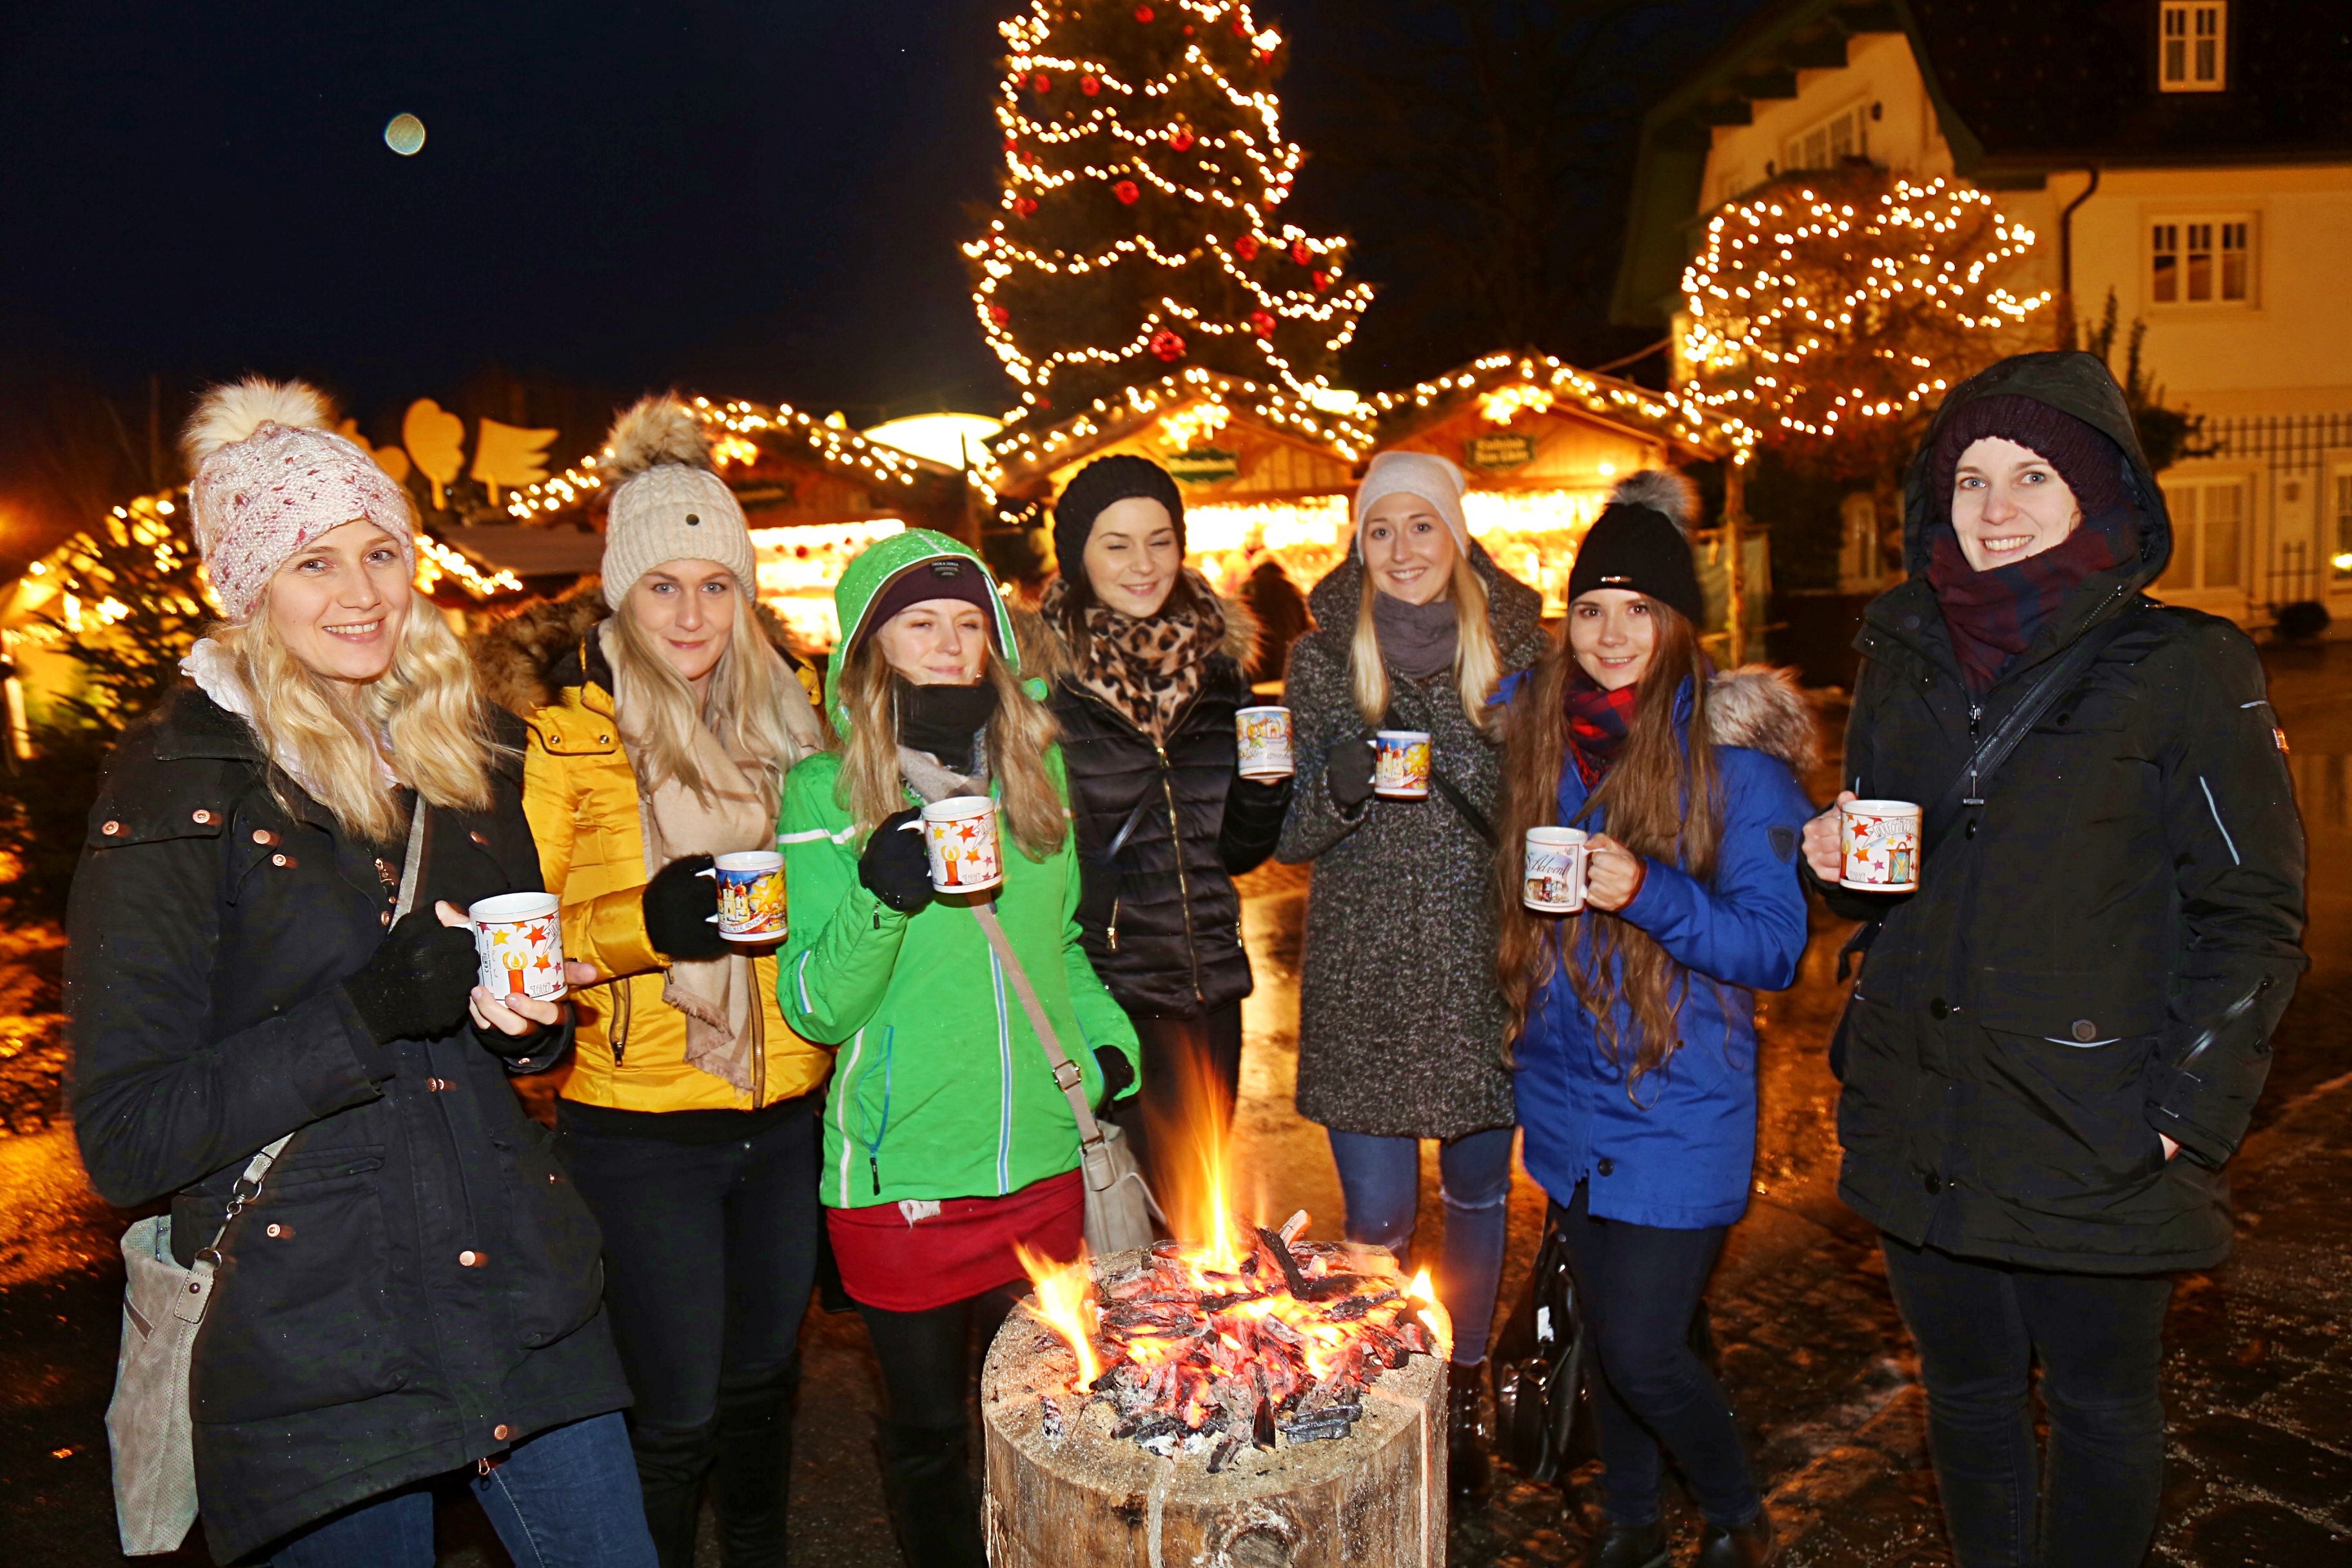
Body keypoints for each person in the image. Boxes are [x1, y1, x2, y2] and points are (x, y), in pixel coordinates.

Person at [68, 381, 652, 1567]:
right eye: (312, 563)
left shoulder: (463, 746)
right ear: (247, 588)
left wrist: (523, 1024)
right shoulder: (181, 783)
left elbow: (506, 1026)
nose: (362, 592)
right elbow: (127, 1136)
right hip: (311, 1337)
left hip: (519, 1294)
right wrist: (369, 1010)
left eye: (380, 551)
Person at [1798, 351, 2306, 1568]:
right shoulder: (1901, 654)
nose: (1994, 505)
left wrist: (2183, 1109)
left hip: (2097, 1125)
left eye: (2031, 473)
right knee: (1965, 1400)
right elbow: (1892, 855)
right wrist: (1826, 854)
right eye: (1967, 477)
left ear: (2100, 492)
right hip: (1924, 1111)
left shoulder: (2185, 665)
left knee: (2097, 1408)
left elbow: (2251, 910)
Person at [474, 397, 830, 1568]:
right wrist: (650, 923)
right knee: (674, 1411)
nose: (691, 612)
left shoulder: (795, 723)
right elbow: (519, 930)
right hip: (640, 1127)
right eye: (662, 585)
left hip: (788, 1111)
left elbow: (825, 900)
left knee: (766, 1384)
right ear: (621, 595)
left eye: (714, 583)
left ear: (744, 594)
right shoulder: (570, 739)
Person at [777, 531, 1141, 1568]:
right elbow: (815, 1007)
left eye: (969, 623)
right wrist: (881, 897)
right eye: (920, 624)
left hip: (1042, 1160)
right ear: (871, 647)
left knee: (1045, 1423)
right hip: (903, 1179)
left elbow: (1060, 946)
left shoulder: (1037, 769)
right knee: (932, 1436)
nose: (949, 645)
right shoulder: (823, 793)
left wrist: (1111, 1051)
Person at [1495, 473, 1814, 1568]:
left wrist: (1648, 892)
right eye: (1589, 607)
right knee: (1614, 1336)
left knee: (1642, 1346)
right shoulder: (1544, 744)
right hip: (1569, 1101)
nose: (1611, 632)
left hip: (1680, 1104)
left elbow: (1772, 947)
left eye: (1638, 608)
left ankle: (1734, 1510)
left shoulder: (1739, 769)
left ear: (1680, 621)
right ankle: (1634, 1519)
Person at [1275, 449, 1547, 1496]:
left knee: (1480, 1194)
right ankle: (1386, 1398)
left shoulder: (1519, 650)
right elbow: (1290, 838)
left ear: (1456, 534)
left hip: (1484, 966)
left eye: (1420, 526)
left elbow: (1551, 808)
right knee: (1378, 1219)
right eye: (1379, 529)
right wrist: (1337, 783)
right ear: (1358, 542)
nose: (1401, 550)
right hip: (1366, 977)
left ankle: (1467, 1390)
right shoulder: (1319, 662)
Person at [1032, 455, 1291, 1199]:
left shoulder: (1220, 672)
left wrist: (1267, 793)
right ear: (1078, 555)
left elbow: (1236, 854)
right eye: (1116, 543)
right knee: (1137, 1225)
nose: (1143, 564)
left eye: (1160, 539)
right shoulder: (1043, 685)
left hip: (1211, 987)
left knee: (1196, 1216)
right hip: (1107, 989)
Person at [1240, 550, 1313, 687]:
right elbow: (1307, 629)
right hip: (1286, 664)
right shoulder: (1293, 590)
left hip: (1256, 666)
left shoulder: (1245, 589)